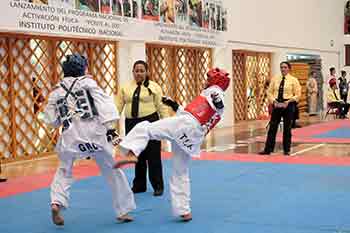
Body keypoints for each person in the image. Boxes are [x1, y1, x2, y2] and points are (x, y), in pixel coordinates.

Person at [114, 68, 230, 222]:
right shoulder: (210, 101)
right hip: (192, 137)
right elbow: (196, 114)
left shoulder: (215, 91)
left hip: (184, 125)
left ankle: (132, 153)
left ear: (215, 82)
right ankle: (184, 210)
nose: (206, 81)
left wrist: (217, 99)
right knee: (180, 172)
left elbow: (219, 105)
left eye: (209, 79)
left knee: (145, 128)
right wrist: (174, 105)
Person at [40, 54, 135, 226]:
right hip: (95, 135)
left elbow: (51, 120)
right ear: (83, 68)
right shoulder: (89, 84)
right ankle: (124, 210)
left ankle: (56, 202)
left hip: (70, 138)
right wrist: (110, 129)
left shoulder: (57, 91)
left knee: (64, 170)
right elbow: (105, 106)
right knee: (112, 170)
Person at [115, 60, 168, 196]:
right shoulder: (125, 88)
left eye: (142, 70)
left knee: (153, 155)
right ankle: (139, 185)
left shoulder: (154, 87)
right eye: (136, 70)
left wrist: (167, 124)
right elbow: (118, 106)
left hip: (150, 122)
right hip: (131, 123)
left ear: (147, 72)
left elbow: (161, 106)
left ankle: (158, 186)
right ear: (133, 72)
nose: (139, 73)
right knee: (136, 155)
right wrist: (111, 124)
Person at [259, 61, 301, 156]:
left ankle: (286, 149)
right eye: (281, 67)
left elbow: (298, 94)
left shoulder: (294, 80)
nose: (283, 69)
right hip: (277, 104)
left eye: (285, 67)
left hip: (288, 105)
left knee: (287, 128)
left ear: (289, 69)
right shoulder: (275, 79)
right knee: (272, 128)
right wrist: (274, 101)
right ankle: (268, 149)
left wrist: (288, 102)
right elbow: (269, 92)